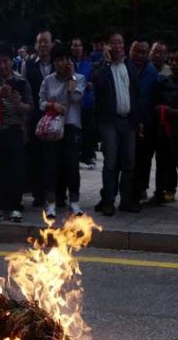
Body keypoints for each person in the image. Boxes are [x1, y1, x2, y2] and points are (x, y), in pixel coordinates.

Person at [0, 41, 32, 222]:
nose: (2, 66)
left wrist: (18, 103)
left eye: (5, 61)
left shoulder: (21, 81)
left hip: (14, 130)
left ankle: (16, 204)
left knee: (15, 169)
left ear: (12, 61)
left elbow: (30, 107)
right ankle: (0, 203)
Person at [91, 28, 140, 216]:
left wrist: (137, 120)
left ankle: (126, 200)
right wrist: (106, 63)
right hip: (109, 122)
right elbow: (97, 84)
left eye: (120, 42)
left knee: (129, 162)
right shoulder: (100, 67)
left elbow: (135, 93)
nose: (118, 46)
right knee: (110, 162)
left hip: (128, 121)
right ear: (107, 46)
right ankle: (108, 200)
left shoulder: (129, 66)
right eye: (113, 42)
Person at [38, 42, 86, 218]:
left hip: (71, 126)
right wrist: (52, 105)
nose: (61, 63)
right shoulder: (48, 80)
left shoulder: (79, 78)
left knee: (72, 166)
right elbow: (41, 102)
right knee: (51, 166)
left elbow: (75, 97)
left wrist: (71, 77)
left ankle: (74, 202)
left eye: (64, 59)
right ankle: (51, 203)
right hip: (52, 128)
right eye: (58, 60)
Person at [151, 46, 178, 209]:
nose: (174, 64)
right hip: (163, 130)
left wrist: (171, 112)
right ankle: (159, 194)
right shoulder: (163, 82)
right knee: (161, 164)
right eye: (172, 60)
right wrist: (161, 110)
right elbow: (156, 103)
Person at [22, 30, 54, 207]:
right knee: (36, 156)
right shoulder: (28, 64)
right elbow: (25, 89)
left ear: (51, 44)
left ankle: (54, 192)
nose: (42, 45)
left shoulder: (58, 63)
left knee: (53, 156)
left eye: (45, 42)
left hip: (55, 116)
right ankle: (37, 194)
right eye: (39, 42)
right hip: (35, 115)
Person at [129, 39, 159, 204]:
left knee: (144, 159)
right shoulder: (125, 68)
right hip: (128, 121)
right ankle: (128, 190)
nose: (140, 55)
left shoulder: (152, 71)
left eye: (143, 52)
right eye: (136, 51)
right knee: (128, 159)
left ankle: (141, 189)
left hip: (147, 122)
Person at [71, 37, 97, 167]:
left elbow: (93, 81)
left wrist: (90, 85)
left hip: (87, 102)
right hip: (73, 103)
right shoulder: (68, 64)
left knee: (88, 130)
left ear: (82, 48)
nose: (76, 48)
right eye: (74, 45)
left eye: (79, 45)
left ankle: (87, 155)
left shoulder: (89, 64)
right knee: (74, 131)